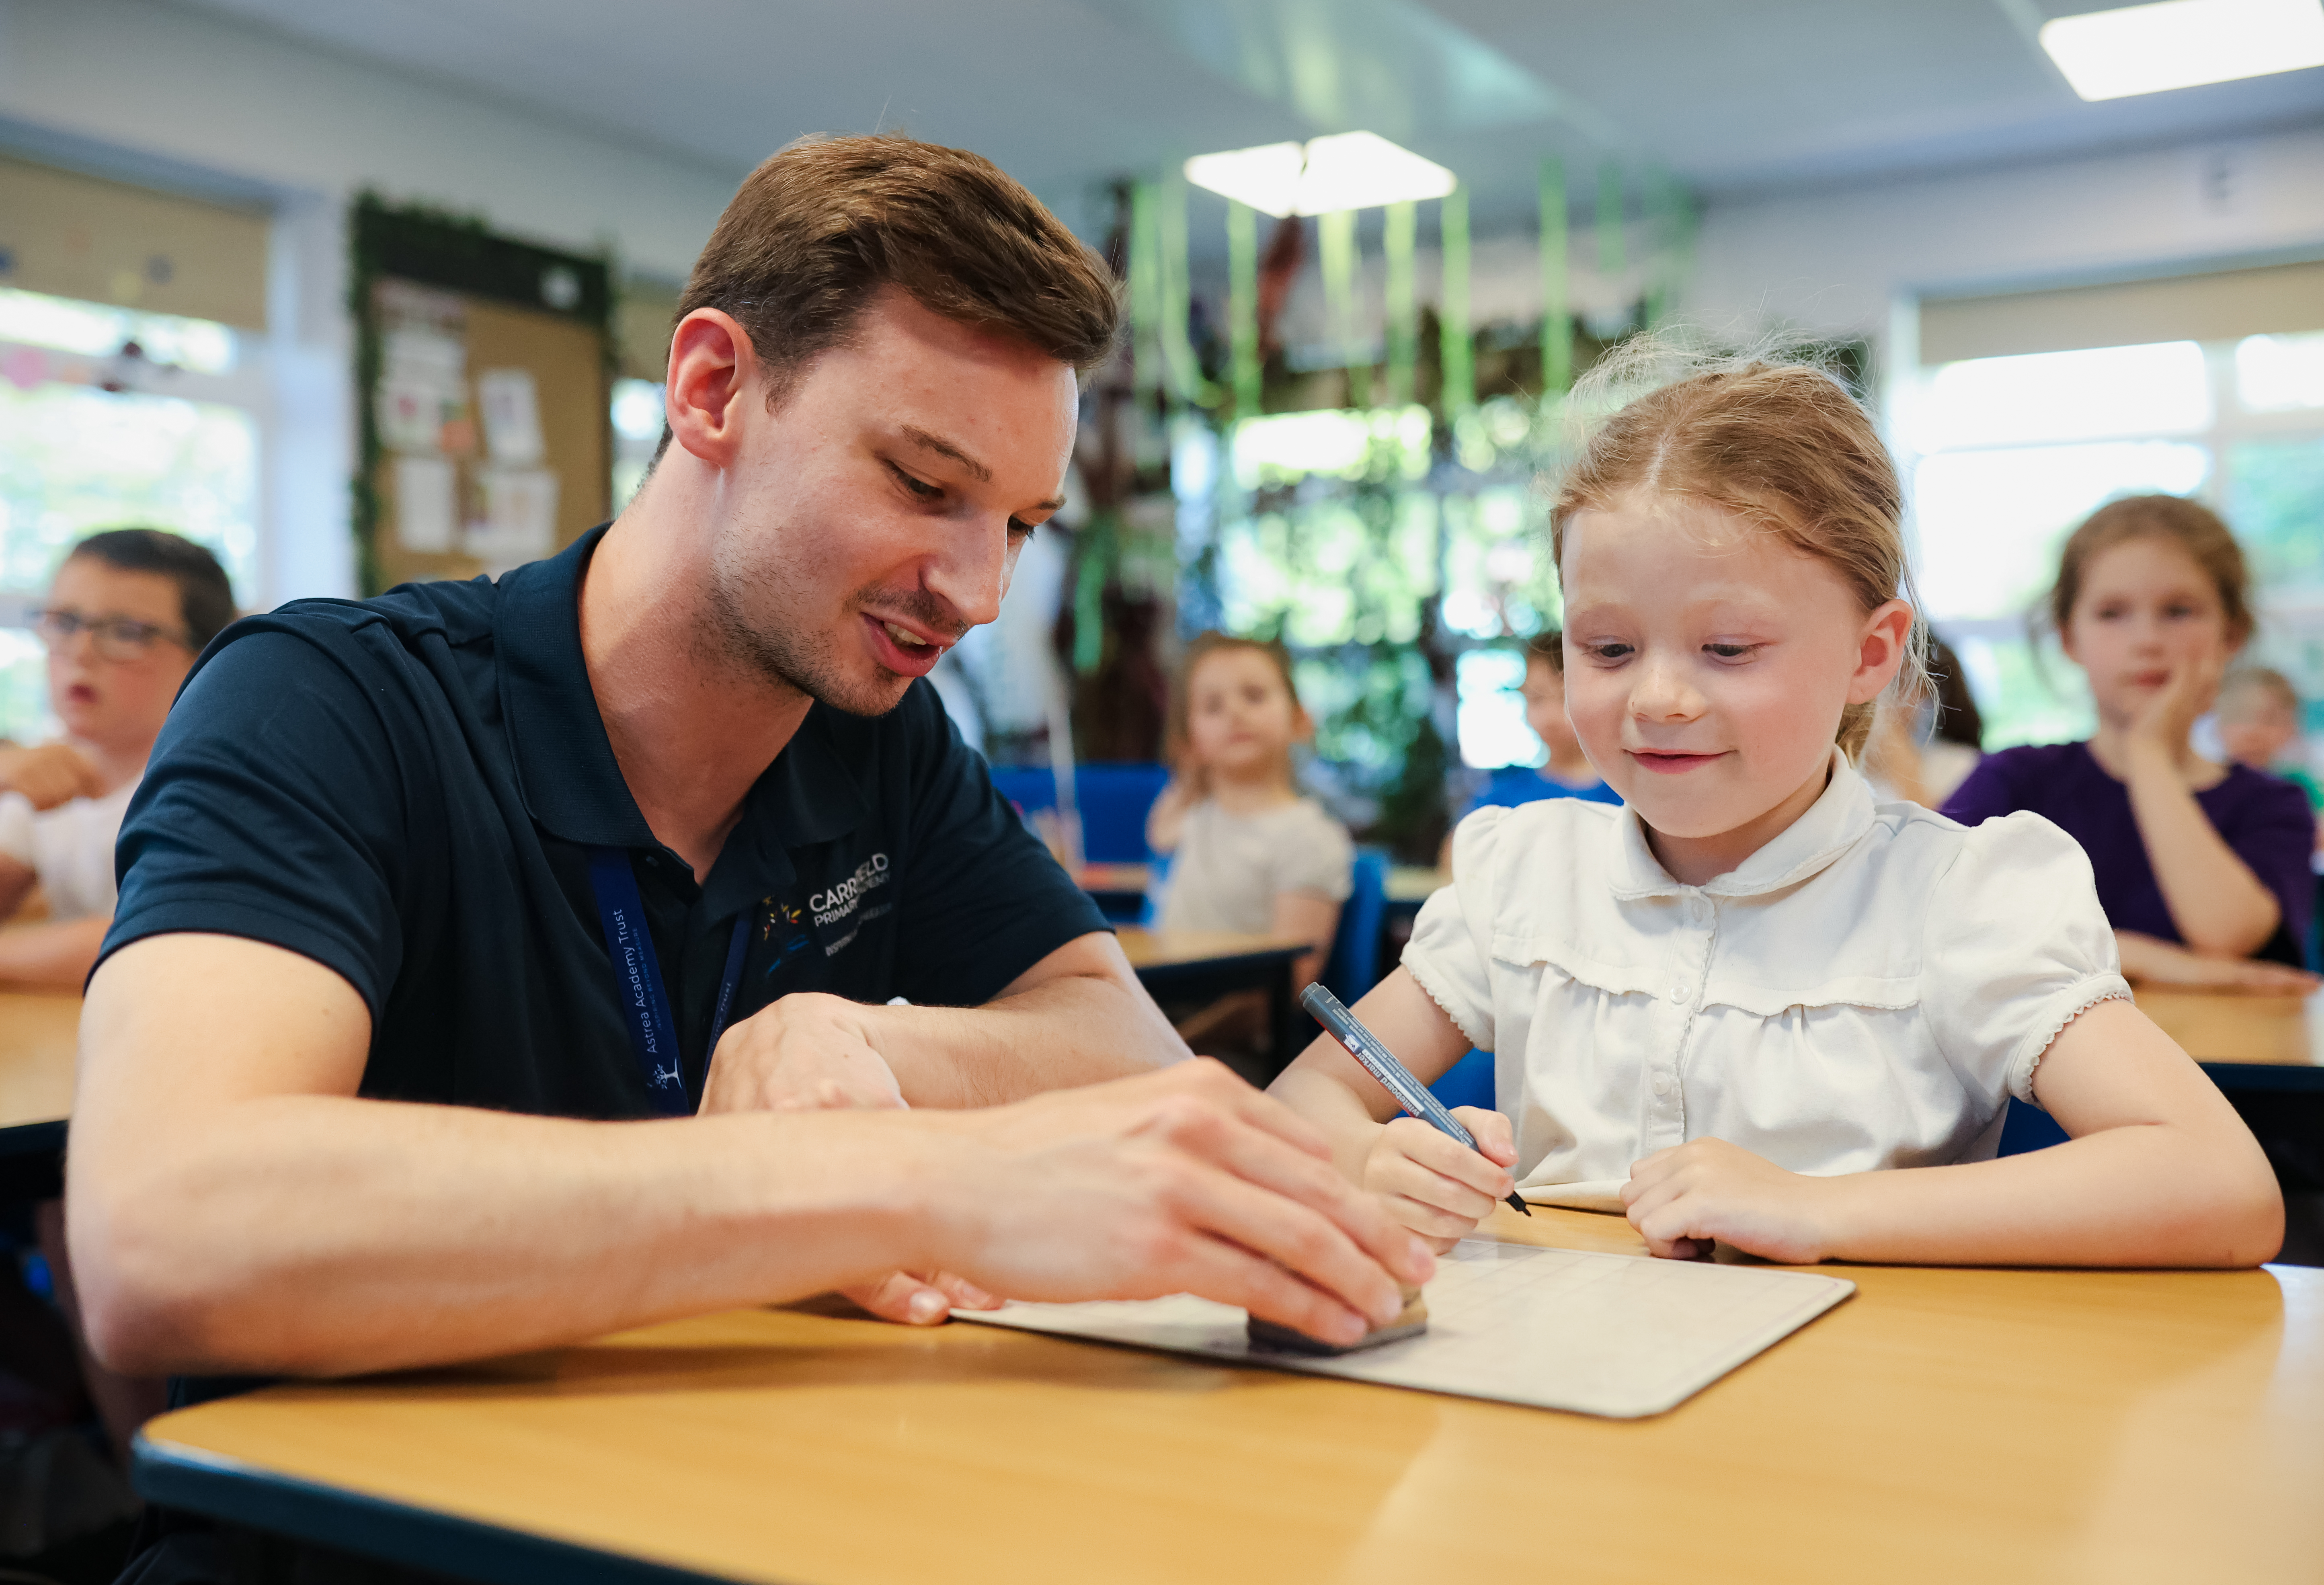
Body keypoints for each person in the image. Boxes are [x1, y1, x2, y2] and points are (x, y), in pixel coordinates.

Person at [68, 134, 1429, 1461]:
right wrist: (905, 1181)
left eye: (1018, 524)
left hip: (744, 1494)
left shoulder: (877, 732)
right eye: (923, 482)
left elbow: (1128, 1054)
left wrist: (866, 1041)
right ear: (713, 388)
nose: (978, 592)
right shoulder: (327, 702)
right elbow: (160, 1233)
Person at [1268, 341, 2282, 1269]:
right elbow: (1304, 1096)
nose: (1658, 697)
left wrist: (1817, 1208)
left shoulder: (1957, 897)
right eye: (1607, 648)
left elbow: (2219, 1184)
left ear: (1870, 654)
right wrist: (1369, 1159)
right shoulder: (1525, 872)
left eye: (1728, 649)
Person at [1941, 498, 2320, 992]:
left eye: (2178, 611)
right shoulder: (2013, 783)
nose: (2146, 640)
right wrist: (2141, 957)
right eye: (2111, 613)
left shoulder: (2273, 805)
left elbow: (2225, 934)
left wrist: (2148, 750)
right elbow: (1924, 918)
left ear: (2230, 635)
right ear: (2068, 638)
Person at [0, 530, 233, 989]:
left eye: (127, 632)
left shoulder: (216, 780)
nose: (81, 651)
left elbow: (147, 934)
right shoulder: (53, 770)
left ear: (206, 657)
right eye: (65, 622)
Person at [1146, 634, 1352, 1058]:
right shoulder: (1193, 816)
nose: (1235, 713)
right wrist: (1190, 764)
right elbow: (1158, 834)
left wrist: (1168, 1046)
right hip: (1158, 1015)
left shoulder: (1310, 837)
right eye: (1212, 707)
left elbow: (1288, 988)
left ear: (1300, 720)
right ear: (1190, 739)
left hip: (1231, 1047)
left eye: (1255, 696)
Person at [1469, 632, 1622, 813]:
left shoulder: (1628, 795)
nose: (1550, 718)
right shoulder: (1501, 799)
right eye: (1537, 699)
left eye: (1564, 699)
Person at [2215, 666, 2324, 850]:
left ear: (2291, 727)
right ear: (2217, 722)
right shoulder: (2210, 784)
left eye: (2269, 720)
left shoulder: (2296, 784)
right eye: (2238, 717)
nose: (2253, 732)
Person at [1862, 636, 1984, 809]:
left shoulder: (1961, 768)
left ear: (1926, 692)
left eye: (1899, 683)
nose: (1881, 700)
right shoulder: (1843, 775)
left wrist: (1901, 759)